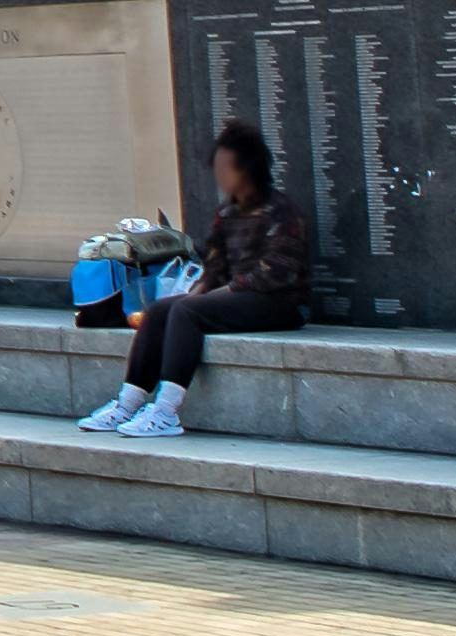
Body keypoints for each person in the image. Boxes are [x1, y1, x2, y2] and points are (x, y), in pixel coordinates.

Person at [81, 124, 306, 439]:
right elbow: (215, 265)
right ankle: (128, 402)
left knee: (187, 311)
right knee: (161, 310)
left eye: (226, 168)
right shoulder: (227, 212)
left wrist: (213, 295)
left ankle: (166, 412)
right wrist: (198, 290)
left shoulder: (281, 211)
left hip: (277, 302)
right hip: (235, 296)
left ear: (248, 169)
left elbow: (276, 273)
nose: (220, 175)